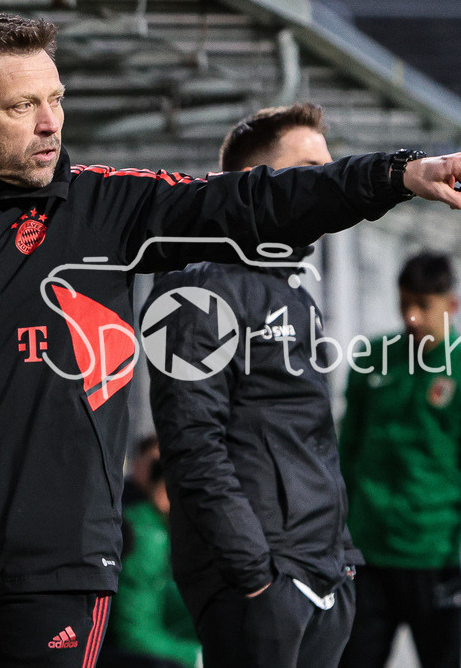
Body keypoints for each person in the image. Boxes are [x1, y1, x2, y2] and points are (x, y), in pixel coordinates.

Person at [0, 7, 461, 667]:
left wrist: (397, 174)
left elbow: (255, 201)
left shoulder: (108, 208)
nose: (50, 122)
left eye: (56, 98)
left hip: (62, 575)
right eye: (24, 104)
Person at [143, 103, 360, 668]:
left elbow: (307, 441)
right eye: (310, 172)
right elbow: (191, 444)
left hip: (323, 576)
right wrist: (257, 576)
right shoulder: (193, 292)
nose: (327, 186)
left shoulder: (295, 294)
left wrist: (342, 560)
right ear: (251, 186)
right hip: (261, 584)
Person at [337, 251, 461, 667]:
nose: (412, 318)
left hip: (434, 561)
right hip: (367, 562)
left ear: (451, 305)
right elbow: (342, 456)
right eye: (405, 304)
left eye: (423, 305)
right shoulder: (372, 360)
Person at [105, 460, 201, 668]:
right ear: (164, 493)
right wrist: (196, 656)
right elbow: (133, 631)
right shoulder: (149, 538)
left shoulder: (165, 532)